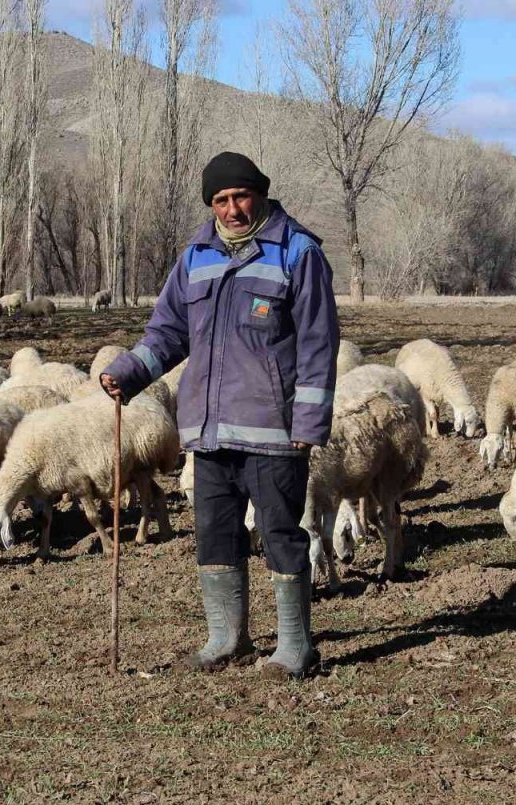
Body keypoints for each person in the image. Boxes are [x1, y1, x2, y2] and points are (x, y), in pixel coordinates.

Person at [101, 151, 339, 680]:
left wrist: (308, 423)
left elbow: (320, 343)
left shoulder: (297, 254)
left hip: (273, 429)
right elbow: (169, 332)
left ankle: (296, 646)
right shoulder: (195, 256)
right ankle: (227, 637)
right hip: (208, 429)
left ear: (260, 193)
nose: (231, 209)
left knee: (280, 533)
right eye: (220, 200)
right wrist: (129, 372)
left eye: (240, 197)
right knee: (215, 532)